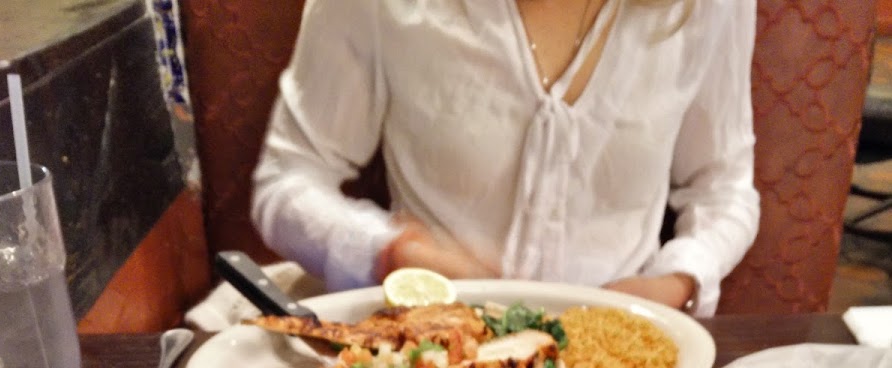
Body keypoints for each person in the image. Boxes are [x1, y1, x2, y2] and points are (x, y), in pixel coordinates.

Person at [251, 0, 759, 317]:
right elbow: (287, 178)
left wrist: (676, 282)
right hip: (434, 355)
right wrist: (393, 252)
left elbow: (723, 187)